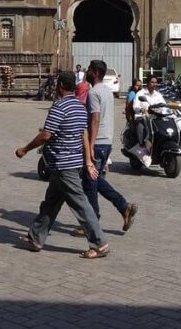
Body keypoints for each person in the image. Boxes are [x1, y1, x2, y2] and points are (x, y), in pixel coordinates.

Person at [15, 70, 109, 258]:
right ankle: (36, 238)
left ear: (59, 86)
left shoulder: (59, 107)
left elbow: (46, 134)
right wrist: (88, 160)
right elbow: (83, 133)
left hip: (63, 164)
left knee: (81, 204)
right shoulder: (80, 107)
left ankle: (99, 243)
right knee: (50, 203)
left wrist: (25, 149)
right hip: (67, 164)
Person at [82, 60, 137, 233]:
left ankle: (93, 222)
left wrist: (89, 145)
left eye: (90, 69)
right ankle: (123, 207)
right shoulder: (106, 91)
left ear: (96, 72)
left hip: (97, 143)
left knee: (90, 183)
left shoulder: (93, 93)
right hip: (106, 142)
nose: (87, 72)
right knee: (94, 180)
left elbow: (95, 119)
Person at [132, 76, 169, 146]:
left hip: (156, 118)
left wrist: (170, 110)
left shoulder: (158, 95)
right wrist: (141, 109)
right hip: (143, 117)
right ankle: (141, 145)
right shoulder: (140, 94)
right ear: (147, 83)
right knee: (140, 124)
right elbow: (135, 107)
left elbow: (164, 105)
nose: (154, 84)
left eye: (155, 83)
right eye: (152, 82)